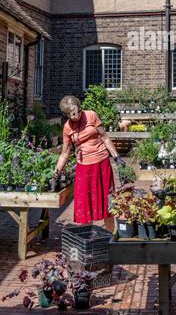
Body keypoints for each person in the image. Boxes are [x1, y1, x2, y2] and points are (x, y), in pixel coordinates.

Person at [52, 95, 124, 232]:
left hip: (102, 164)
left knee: (106, 202)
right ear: (66, 115)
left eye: (77, 112)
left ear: (80, 108)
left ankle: (110, 236)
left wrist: (117, 157)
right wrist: (56, 174)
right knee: (84, 205)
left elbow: (105, 137)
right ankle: (87, 238)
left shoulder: (91, 115)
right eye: (71, 115)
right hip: (83, 168)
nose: (75, 116)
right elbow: (65, 153)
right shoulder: (67, 128)